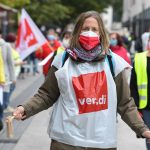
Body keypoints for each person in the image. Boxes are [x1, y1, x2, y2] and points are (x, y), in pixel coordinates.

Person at [13, 11, 150, 150]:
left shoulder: (113, 62)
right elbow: (46, 94)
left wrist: (142, 129)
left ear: (101, 33)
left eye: (94, 29)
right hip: (65, 141)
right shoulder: (62, 59)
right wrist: (25, 108)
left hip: (101, 142)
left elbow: (125, 103)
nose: (89, 33)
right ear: (77, 31)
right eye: (85, 29)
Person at [130, 49, 150, 150]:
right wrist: (136, 106)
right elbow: (133, 84)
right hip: (145, 106)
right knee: (149, 136)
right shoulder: (139, 58)